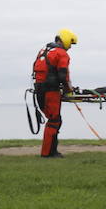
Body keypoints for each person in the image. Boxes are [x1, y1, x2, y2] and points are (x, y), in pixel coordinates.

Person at [32, 29, 77, 158]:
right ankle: (48, 153)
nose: (70, 48)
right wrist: (69, 91)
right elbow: (63, 76)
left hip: (39, 91)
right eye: (71, 44)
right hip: (51, 91)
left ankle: (50, 151)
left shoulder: (43, 51)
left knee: (53, 119)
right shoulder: (61, 53)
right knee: (54, 121)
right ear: (67, 40)